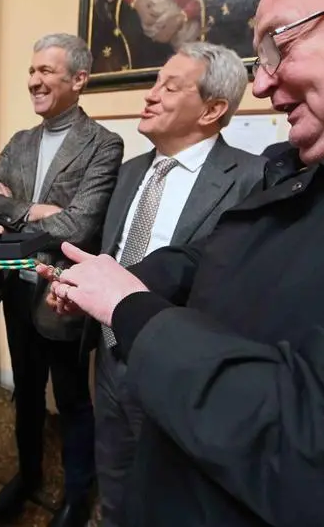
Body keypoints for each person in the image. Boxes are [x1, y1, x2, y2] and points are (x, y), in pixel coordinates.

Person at [39, 0, 324, 524]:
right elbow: (218, 252)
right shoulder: (313, 167)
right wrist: (126, 278)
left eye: (281, 44)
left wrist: (131, 308)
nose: (262, 84)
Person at [92, 42, 265, 526]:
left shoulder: (251, 178)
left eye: (170, 86)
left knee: (172, 497)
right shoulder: (129, 173)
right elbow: (116, 251)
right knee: (116, 483)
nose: (150, 95)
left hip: (178, 365)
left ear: (213, 109)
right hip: (106, 359)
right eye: (155, 82)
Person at [0, 33, 123, 527]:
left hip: (62, 294)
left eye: (46, 72)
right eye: (32, 70)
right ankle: (29, 476)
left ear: (78, 80)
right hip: (15, 289)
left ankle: (77, 495)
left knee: (72, 399)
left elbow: (81, 224)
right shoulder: (20, 142)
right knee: (26, 394)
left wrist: (12, 212)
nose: (34, 80)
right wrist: (37, 211)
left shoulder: (105, 144)